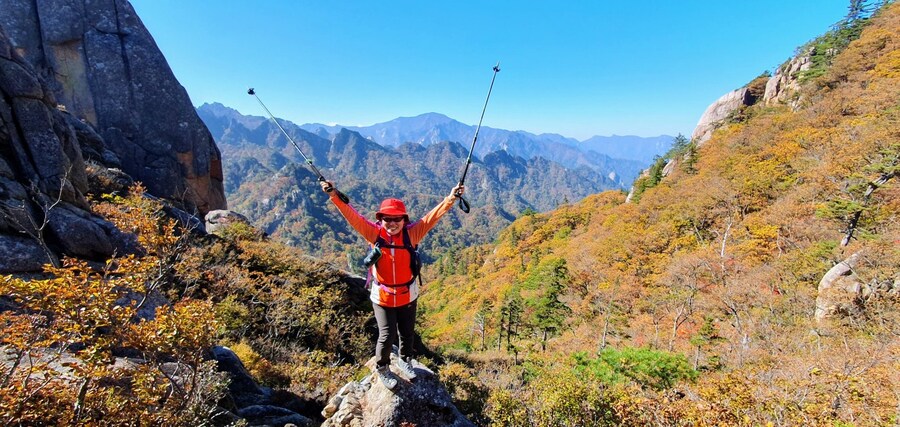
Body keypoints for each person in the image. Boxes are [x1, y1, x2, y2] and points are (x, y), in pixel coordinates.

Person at [321, 180, 464, 390]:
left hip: (407, 293)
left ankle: (405, 361)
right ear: (381, 219)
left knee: (407, 333)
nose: (392, 223)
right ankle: (382, 368)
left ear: (404, 220)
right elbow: (352, 216)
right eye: (387, 219)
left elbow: (433, 216)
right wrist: (334, 195)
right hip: (383, 296)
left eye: (397, 219)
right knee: (386, 335)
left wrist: (451, 197)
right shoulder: (374, 233)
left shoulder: (412, 233)